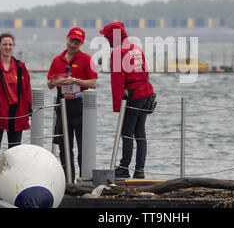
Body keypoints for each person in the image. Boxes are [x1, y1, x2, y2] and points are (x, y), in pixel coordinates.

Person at [100, 21, 154, 179]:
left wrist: (118, 106)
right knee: (140, 133)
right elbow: (146, 71)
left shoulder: (118, 51)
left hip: (133, 96)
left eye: (107, 36)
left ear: (113, 36)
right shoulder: (135, 47)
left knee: (127, 132)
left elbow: (117, 80)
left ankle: (123, 168)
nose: (106, 40)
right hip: (146, 93)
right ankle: (140, 170)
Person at [47, 27, 97, 182]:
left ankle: (83, 180)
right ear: (67, 39)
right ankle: (67, 180)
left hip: (80, 105)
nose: (73, 44)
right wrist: (57, 81)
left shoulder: (87, 59)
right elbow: (49, 84)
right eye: (71, 40)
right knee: (64, 148)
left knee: (83, 147)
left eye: (77, 42)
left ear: (81, 44)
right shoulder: (57, 60)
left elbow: (94, 83)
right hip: (62, 105)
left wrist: (75, 80)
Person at [0, 32, 32, 173]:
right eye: (4, 44)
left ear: (13, 47)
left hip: (17, 113)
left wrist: (29, 106)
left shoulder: (21, 67)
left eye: (10, 44)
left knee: (14, 151)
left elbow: (27, 88)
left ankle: (11, 182)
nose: (7, 47)